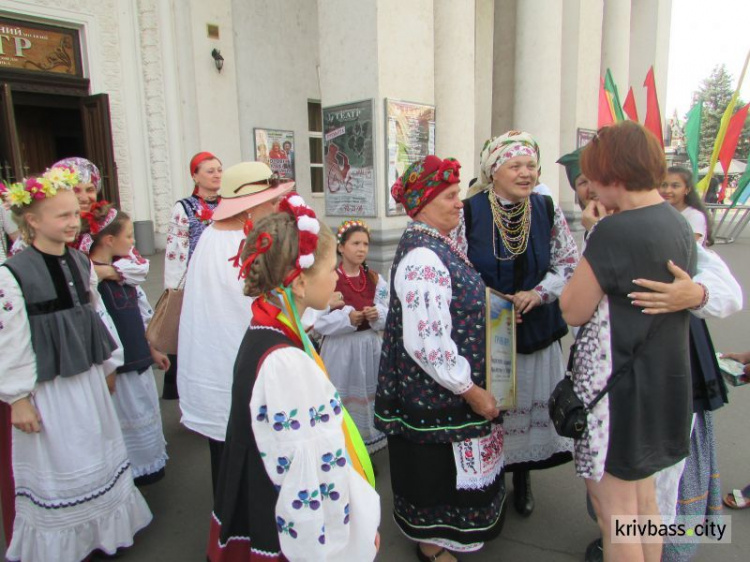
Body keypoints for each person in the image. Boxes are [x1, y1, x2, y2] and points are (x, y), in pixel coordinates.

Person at [558, 148, 743, 562]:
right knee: (644, 504)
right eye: (581, 185)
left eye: (593, 181)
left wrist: (696, 293)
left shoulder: (616, 231)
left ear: (614, 179)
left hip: (628, 388)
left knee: (620, 514)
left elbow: (574, 310)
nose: (590, 192)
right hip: (663, 381)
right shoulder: (673, 222)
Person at [208, 194, 380, 561]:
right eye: (332, 267)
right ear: (300, 283)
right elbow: (313, 468)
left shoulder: (266, 327)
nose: (337, 275)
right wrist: (350, 534)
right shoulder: (285, 361)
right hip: (285, 523)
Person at [0, 167, 152, 561]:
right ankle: (66, 542)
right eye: (62, 216)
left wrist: (109, 364)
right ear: (32, 221)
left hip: (87, 377)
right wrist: (17, 398)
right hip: (49, 387)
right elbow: (9, 339)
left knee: (95, 445)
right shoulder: (12, 274)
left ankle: (102, 529)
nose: (72, 223)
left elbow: (97, 315)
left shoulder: (81, 263)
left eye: (74, 215)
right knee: (62, 456)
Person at [376, 156, 504, 562]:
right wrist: (469, 390)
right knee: (432, 471)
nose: (459, 203)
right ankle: (431, 546)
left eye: (457, 196)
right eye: (449, 196)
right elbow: (427, 343)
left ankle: (446, 535)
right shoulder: (423, 258)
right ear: (423, 204)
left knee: (445, 472)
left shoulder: (439, 243)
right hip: (435, 394)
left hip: (444, 390)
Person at [460, 131, 579, 518]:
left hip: (536, 328)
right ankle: (489, 479)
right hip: (488, 332)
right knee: (494, 410)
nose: (526, 173)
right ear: (494, 170)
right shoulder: (468, 211)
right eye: (516, 165)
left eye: (531, 165)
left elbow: (567, 263)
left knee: (526, 405)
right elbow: (456, 268)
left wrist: (540, 293)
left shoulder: (546, 209)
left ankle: (523, 476)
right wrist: (489, 301)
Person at [177, 162, 294, 495]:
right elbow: (270, 311)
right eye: (271, 201)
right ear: (248, 208)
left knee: (227, 470)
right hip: (242, 370)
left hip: (218, 372)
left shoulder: (213, 237)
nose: (276, 207)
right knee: (254, 473)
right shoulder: (245, 245)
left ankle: (228, 536)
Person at [83, 202, 170, 486]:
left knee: (144, 408)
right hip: (117, 367)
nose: (133, 242)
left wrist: (153, 347)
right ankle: (131, 470)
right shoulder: (90, 279)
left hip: (138, 357)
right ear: (109, 240)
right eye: (129, 236)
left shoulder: (123, 271)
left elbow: (141, 312)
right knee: (124, 417)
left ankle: (150, 463)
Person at [316, 220, 389, 454]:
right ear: (341, 247)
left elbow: (391, 313)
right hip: (340, 350)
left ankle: (364, 451)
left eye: (365, 244)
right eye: (355, 243)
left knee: (368, 399)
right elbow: (317, 321)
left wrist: (377, 314)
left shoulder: (375, 279)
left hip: (369, 347)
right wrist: (347, 320)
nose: (361, 249)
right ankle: (342, 450)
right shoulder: (329, 279)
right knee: (341, 398)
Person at [163, 151, 223, 399]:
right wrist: (175, 292)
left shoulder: (227, 203)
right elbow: (176, 252)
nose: (217, 175)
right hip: (197, 285)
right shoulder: (184, 207)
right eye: (210, 171)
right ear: (195, 176)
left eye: (219, 169)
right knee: (198, 343)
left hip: (223, 282)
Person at [660, 166, 714, 246]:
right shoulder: (658, 212)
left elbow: (685, 247)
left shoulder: (694, 216)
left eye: (675, 186)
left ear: (687, 189)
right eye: (664, 185)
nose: (667, 190)